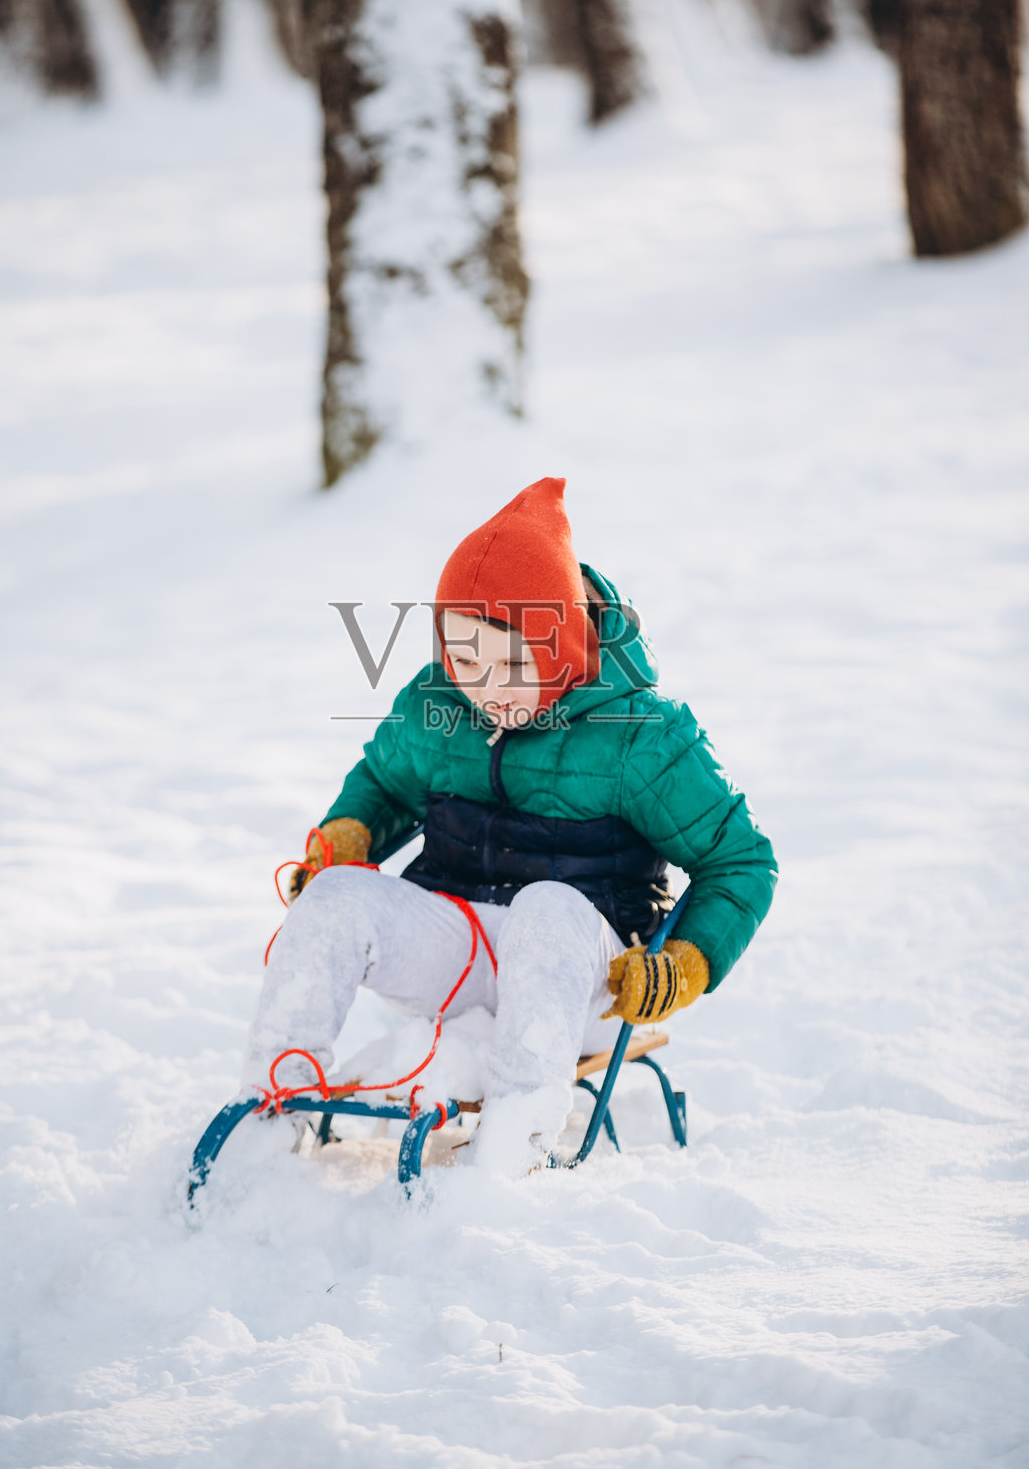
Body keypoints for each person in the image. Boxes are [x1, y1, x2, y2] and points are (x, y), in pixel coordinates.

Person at [243, 478, 777, 1172]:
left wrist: (688, 962)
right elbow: (381, 784)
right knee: (335, 897)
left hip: (586, 976)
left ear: (559, 646)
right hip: (458, 949)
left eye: (512, 663)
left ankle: (517, 1130)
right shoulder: (437, 705)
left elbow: (740, 861)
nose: (484, 687)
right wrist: (349, 831)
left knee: (548, 908)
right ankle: (270, 1107)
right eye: (464, 658)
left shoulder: (641, 736)